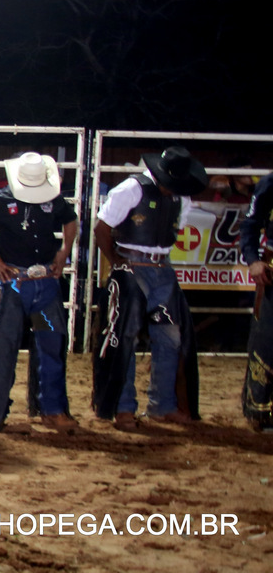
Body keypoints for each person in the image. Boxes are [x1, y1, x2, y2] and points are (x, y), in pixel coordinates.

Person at [0, 152, 80, 433]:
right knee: (6, 348)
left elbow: (70, 219)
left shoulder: (52, 200)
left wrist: (65, 250)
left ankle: (49, 410)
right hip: (18, 284)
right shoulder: (1, 201)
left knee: (50, 344)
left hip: (38, 284)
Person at [93, 146, 208, 430]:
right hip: (134, 267)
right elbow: (101, 227)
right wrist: (116, 261)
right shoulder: (131, 188)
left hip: (159, 267)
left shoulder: (176, 196)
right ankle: (124, 407)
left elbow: (103, 228)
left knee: (170, 339)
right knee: (126, 337)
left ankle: (162, 405)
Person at [240, 169, 273, 432]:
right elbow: (250, 224)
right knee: (268, 339)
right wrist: (253, 260)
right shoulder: (270, 183)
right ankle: (261, 408)